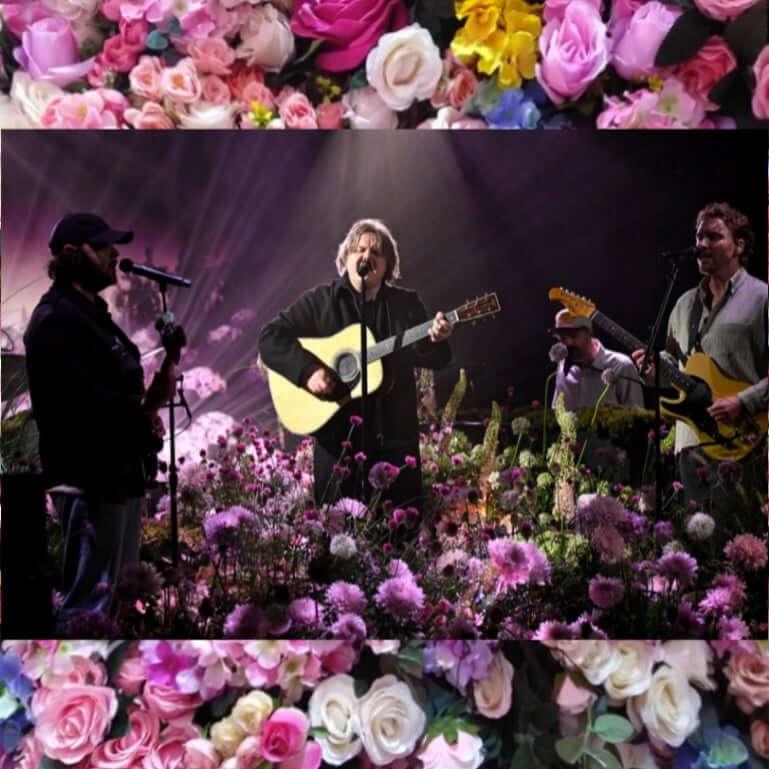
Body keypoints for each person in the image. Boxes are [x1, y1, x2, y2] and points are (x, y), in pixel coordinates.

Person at [23, 212, 184, 631]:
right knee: (87, 607)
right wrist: (146, 407)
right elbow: (84, 408)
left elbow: (122, 393)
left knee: (116, 600)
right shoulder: (56, 320)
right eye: (105, 246)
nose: (116, 254)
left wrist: (157, 391)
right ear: (74, 254)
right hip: (89, 481)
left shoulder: (93, 315)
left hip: (119, 477)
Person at [259, 218, 453, 507]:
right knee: (337, 532)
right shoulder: (320, 301)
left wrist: (435, 338)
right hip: (337, 443)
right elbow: (270, 337)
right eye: (359, 250)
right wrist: (308, 371)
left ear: (388, 265)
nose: (367, 257)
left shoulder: (406, 304)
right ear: (346, 257)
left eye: (376, 253)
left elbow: (439, 359)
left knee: (400, 533)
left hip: (395, 440)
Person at [632, 202, 767, 513]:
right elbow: (677, 367)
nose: (702, 244)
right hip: (690, 444)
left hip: (744, 444)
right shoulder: (683, 305)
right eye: (698, 237)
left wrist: (744, 401)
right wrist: (652, 369)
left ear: (739, 245)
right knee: (695, 548)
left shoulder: (761, 298)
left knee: (737, 543)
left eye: (714, 237)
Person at [551, 309, 644, 411]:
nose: (568, 342)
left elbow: (638, 416)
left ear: (588, 332)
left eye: (573, 335)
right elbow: (557, 411)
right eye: (562, 337)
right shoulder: (562, 365)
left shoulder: (622, 366)